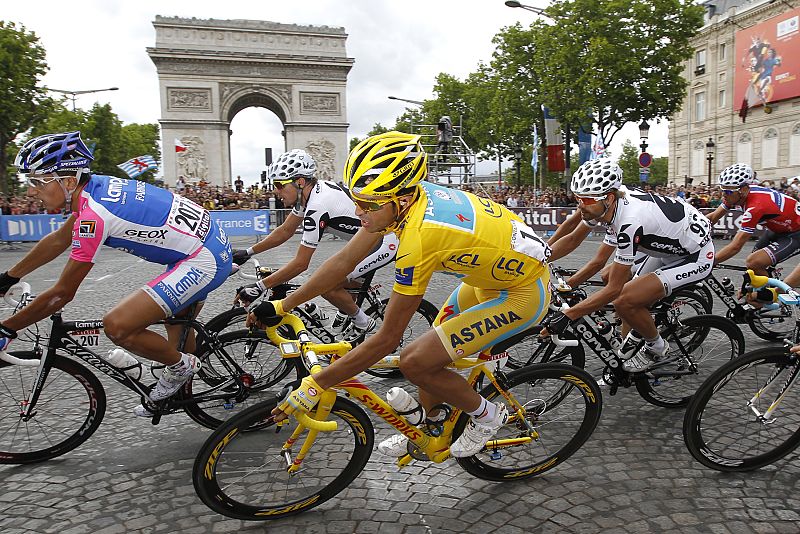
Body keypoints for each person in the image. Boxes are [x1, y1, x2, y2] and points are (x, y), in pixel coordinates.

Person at [247, 131, 552, 458]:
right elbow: (343, 261)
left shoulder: (419, 239)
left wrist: (317, 384)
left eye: (367, 205)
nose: (358, 212)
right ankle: (433, 428)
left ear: (401, 201)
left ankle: (488, 415)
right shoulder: (401, 198)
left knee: (416, 361)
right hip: (485, 282)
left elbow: (387, 338)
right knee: (431, 355)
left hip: (521, 294)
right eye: (356, 200)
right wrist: (283, 304)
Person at [0, 131, 232, 414]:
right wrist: (10, 277)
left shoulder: (94, 215)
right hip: (199, 246)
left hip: (203, 259)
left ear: (69, 181)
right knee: (176, 330)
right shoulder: (92, 189)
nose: (30, 192)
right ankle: (186, 391)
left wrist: (8, 328)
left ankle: (182, 367)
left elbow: (62, 294)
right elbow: (59, 240)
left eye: (37, 181)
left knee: (118, 326)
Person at [542, 158, 714, 373]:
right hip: (668, 247)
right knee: (612, 281)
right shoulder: (605, 203)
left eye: (585, 200)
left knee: (624, 300)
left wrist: (569, 314)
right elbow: (575, 240)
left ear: (609, 198)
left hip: (695, 255)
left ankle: (656, 346)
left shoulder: (629, 222)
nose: (580, 205)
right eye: (577, 198)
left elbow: (613, 288)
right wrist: (540, 258)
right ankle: (629, 347)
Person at [231, 149, 397, 341]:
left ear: (300, 182)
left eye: (279, 185)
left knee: (326, 284)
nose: (276, 191)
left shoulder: (317, 205)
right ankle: (345, 323)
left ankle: (363, 323)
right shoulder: (308, 196)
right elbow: (285, 231)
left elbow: (301, 264)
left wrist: (260, 286)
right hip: (366, 242)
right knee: (337, 286)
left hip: (385, 242)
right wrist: (248, 252)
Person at [705, 163, 800, 287]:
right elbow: (712, 217)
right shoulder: (736, 194)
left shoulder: (755, 206)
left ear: (743, 190)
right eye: (722, 190)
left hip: (795, 234)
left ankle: (773, 293)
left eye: (727, 191)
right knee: (752, 270)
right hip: (778, 229)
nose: (723, 195)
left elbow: (735, 247)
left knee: (753, 262)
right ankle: (762, 287)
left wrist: (707, 264)